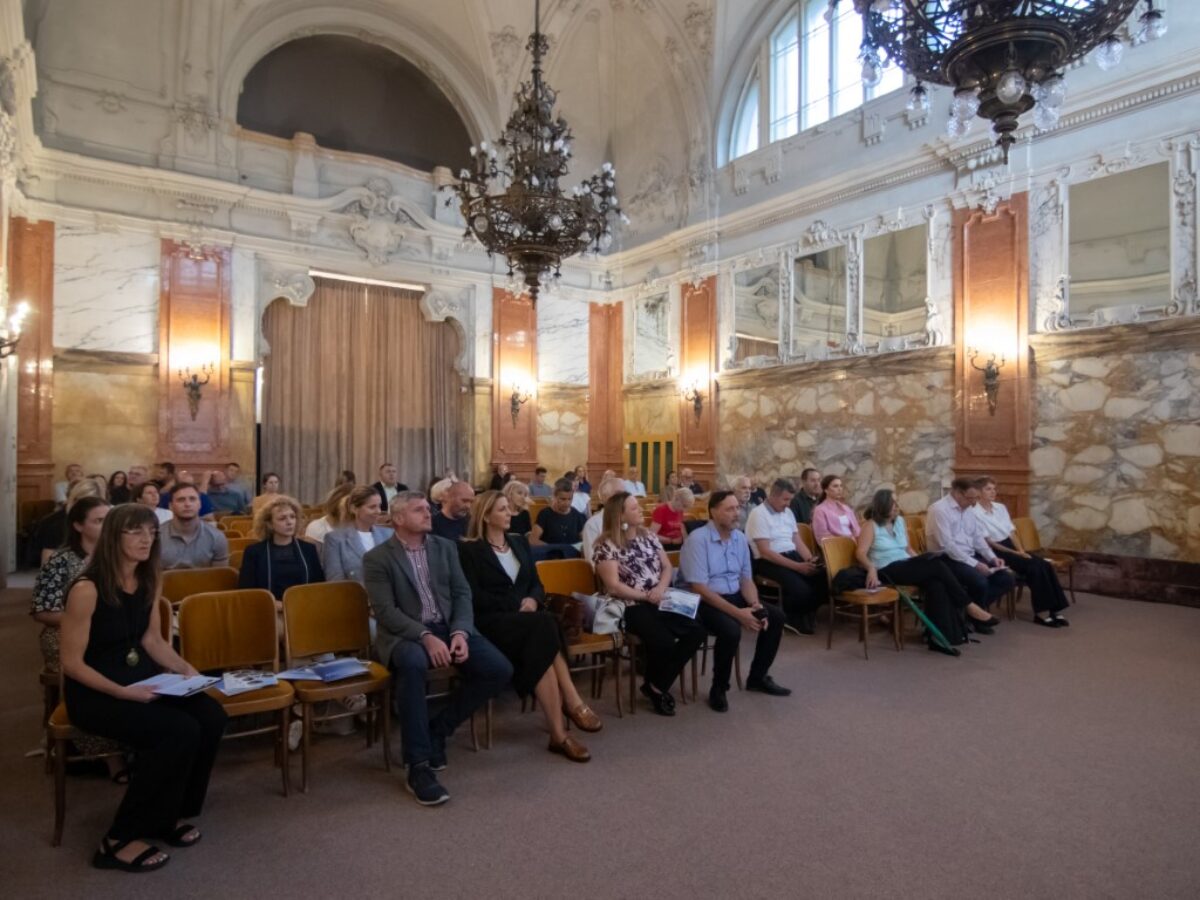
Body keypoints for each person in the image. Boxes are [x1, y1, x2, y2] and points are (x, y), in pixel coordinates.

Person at [60, 503, 227, 873]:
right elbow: (71, 663)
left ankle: (166, 815)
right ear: (113, 538)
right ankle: (117, 839)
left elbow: (152, 641)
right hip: (96, 692)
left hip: (142, 679)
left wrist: (187, 670)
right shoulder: (86, 589)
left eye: (151, 531)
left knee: (211, 715)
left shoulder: (150, 580)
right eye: (135, 531)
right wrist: (123, 693)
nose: (146, 539)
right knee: (176, 731)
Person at [363, 491, 513, 806]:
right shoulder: (378, 558)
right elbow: (386, 611)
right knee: (414, 664)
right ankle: (417, 766)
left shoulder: (445, 548)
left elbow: (461, 593)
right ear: (399, 519)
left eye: (427, 509)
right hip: (403, 634)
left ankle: (438, 729)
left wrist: (460, 631)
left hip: (449, 625)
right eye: (419, 510)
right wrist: (424, 636)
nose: (428, 513)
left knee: (498, 669)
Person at [458, 492, 600, 762]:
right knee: (545, 625)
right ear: (486, 516)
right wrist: (517, 604)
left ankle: (558, 735)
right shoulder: (469, 550)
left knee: (541, 641)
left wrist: (534, 600)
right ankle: (572, 701)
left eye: (509, 508)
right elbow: (473, 595)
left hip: (528, 620)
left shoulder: (518, 543)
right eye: (502, 509)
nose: (510, 513)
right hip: (492, 622)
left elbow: (536, 584)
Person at [30, 496, 127, 777]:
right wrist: (86, 619)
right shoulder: (61, 560)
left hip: (113, 632)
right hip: (64, 633)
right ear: (78, 526)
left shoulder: (119, 555)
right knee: (89, 675)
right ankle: (110, 758)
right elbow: (42, 611)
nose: (107, 526)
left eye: (110, 520)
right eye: (99, 521)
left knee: (137, 664)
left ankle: (139, 740)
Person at [594, 492, 706, 716]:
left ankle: (655, 685)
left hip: (661, 596)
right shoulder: (606, 545)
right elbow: (613, 586)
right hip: (631, 605)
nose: (640, 511)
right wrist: (646, 596)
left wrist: (660, 589)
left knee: (697, 631)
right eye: (634, 508)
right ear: (620, 516)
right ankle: (657, 687)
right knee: (664, 641)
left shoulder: (648, 536)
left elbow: (666, 567)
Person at [681, 491, 791, 712]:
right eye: (729, 509)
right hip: (705, 600)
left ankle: (757, 677)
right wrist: (739, 614)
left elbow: (745, 578)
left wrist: (755, 604)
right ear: (713, 511)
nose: (736, 513)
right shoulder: (698, 539)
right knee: (731, 630)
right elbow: (699, 588)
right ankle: (719, 688)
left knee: (776, 616)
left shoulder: (739, 538)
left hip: (735, 593)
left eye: (737, 508)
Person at [857, 489, 999, 653]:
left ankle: (938, 638)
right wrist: (871, 568)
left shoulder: (900, 521)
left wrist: (921, 560)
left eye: (897, 502)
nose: (897, 506)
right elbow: (860, 553)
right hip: (887, 569)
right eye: (893, 503)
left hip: (906, 564)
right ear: (882, 505)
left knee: (936, 583)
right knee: (937, 566)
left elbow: (908, 548)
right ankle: (969, 606)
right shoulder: (871, 525)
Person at [972, 477, 1070, 627]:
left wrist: (1021, 550)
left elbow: (1012, 532)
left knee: (1045, 565)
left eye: (994, 488)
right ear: (978, 492)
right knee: (1034, 567)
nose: (993, 492)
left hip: (1011, 545)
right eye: (988, 489)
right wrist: (1017, 554)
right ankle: (1041, 613)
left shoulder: (1000, 507)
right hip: (996, 550)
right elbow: (989, 542)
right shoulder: (974, 513)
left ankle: (1054, 609)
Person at [745, 478, 826, 634]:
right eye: (785, 499)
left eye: (790, 499)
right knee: (802, 589)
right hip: (768, 560)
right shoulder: (758, 514)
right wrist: (798, 567)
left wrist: (810, 560)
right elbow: (765, 551)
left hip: (791, 554)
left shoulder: (788, 512)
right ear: (773, 496)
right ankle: (791, 617)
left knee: (824, 580)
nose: (788, 504)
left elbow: (797, 541)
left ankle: (804, 613)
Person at [926, 477, 1015, 616]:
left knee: (1006, 579)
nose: (974, 503)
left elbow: (977, 538)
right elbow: (948, 546)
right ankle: (975, 616)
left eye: (976, 498)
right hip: (945, 559)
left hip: (967, 556)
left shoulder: (969, 509)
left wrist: (992, 558)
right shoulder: (939, 510)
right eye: (971, 498)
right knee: (979, 581)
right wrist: (976, 564)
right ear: (958, 494)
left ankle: (968, 613)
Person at [239, 495, 325, 607]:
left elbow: (318, 586)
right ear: (269, 524)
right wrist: (276, 605)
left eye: (292, 517)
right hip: (267, 610)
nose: (289, 522)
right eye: (282, 518)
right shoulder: (254, 552)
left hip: (304, 608)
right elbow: (247, 592)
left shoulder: (308, 549)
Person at [323, 486, 391, 583]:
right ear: (354, 509)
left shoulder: (389, 534)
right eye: (372, 507)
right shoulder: (335, 539)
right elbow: (335, 582)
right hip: (353, 596)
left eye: (379, 506)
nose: (378, 511)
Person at [159, 485, 230, 570]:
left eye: (192, 499)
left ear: (199, 504)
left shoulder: (217, 537)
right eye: (181, 500)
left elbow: (220, 577)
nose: (187, 504)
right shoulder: (156, 536)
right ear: (171, 506)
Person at [531, 478, 587, 559]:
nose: (567, 503)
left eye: (570, 499)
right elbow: (533, 540)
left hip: (572, 560)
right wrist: (556, 548)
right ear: (555, 496)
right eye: (563, 499)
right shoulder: (545, 514)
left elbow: (585, 540)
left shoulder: (577, 515)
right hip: (551, 559)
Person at [581, 475, 628, 564]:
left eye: (625, 494)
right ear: (604, 499)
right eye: (618, 494)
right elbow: (593, 561)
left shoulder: (630, 520)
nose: (623, 498)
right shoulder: (592, 525)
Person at [811, 475, 861, 544]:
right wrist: (845, 540)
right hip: (836, 547)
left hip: (854, 543)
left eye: (841, 486)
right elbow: (822, 535)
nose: (840, 489)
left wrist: (856, 539)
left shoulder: (846, 508)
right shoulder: (820, 510)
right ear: (826, 490)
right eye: (835, 486)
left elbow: (857, 529)